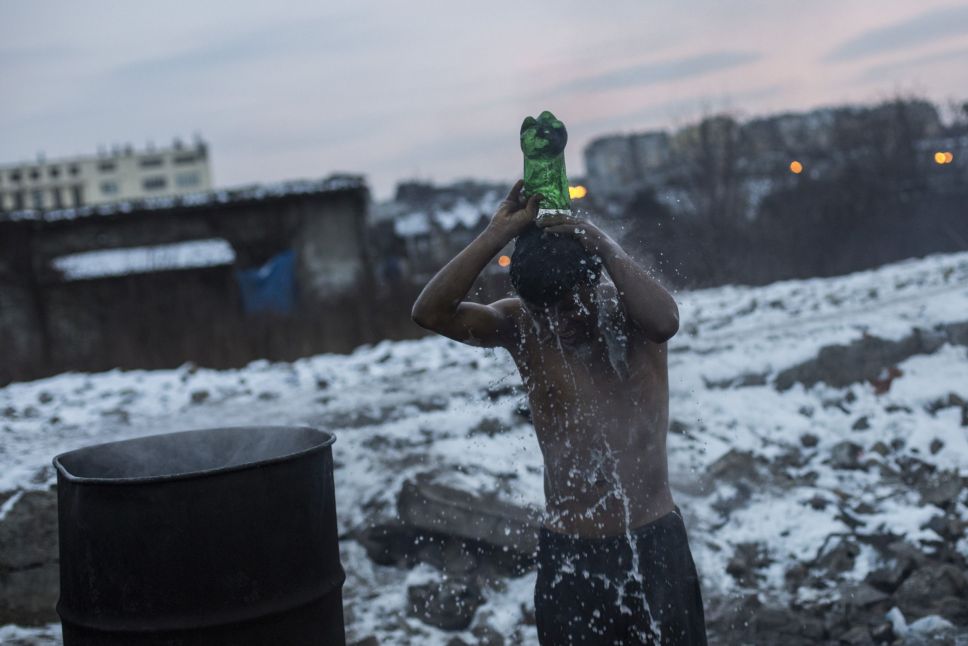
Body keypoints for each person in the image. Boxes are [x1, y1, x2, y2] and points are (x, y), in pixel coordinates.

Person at [411, 180, 707, 645]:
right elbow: (430, 312)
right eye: (544, 311)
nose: (559, 322)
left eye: (570, 307)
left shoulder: (634, 317)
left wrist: (598, 241)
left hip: (652, 545)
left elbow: (667, 321)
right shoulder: (522, 326)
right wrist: (496, 234)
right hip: (569, 554)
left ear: (595, 281)